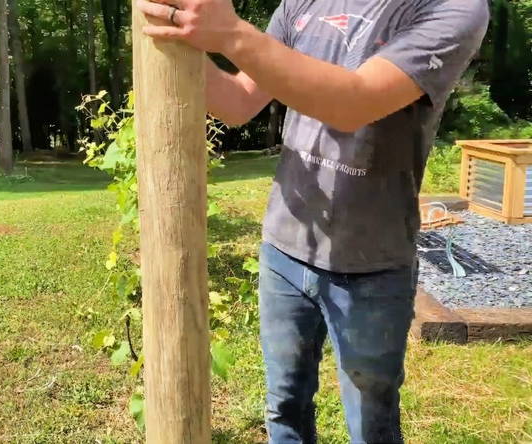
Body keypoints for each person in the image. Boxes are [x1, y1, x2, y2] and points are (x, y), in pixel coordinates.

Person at [136, 0, 489, 442]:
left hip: (373, 264)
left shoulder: (451, 9)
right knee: (284, 406)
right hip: (284, 251)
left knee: (371, 418)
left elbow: (354, 102)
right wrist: (176, 30)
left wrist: (229, 32)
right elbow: (238, 102)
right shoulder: (302, 2)